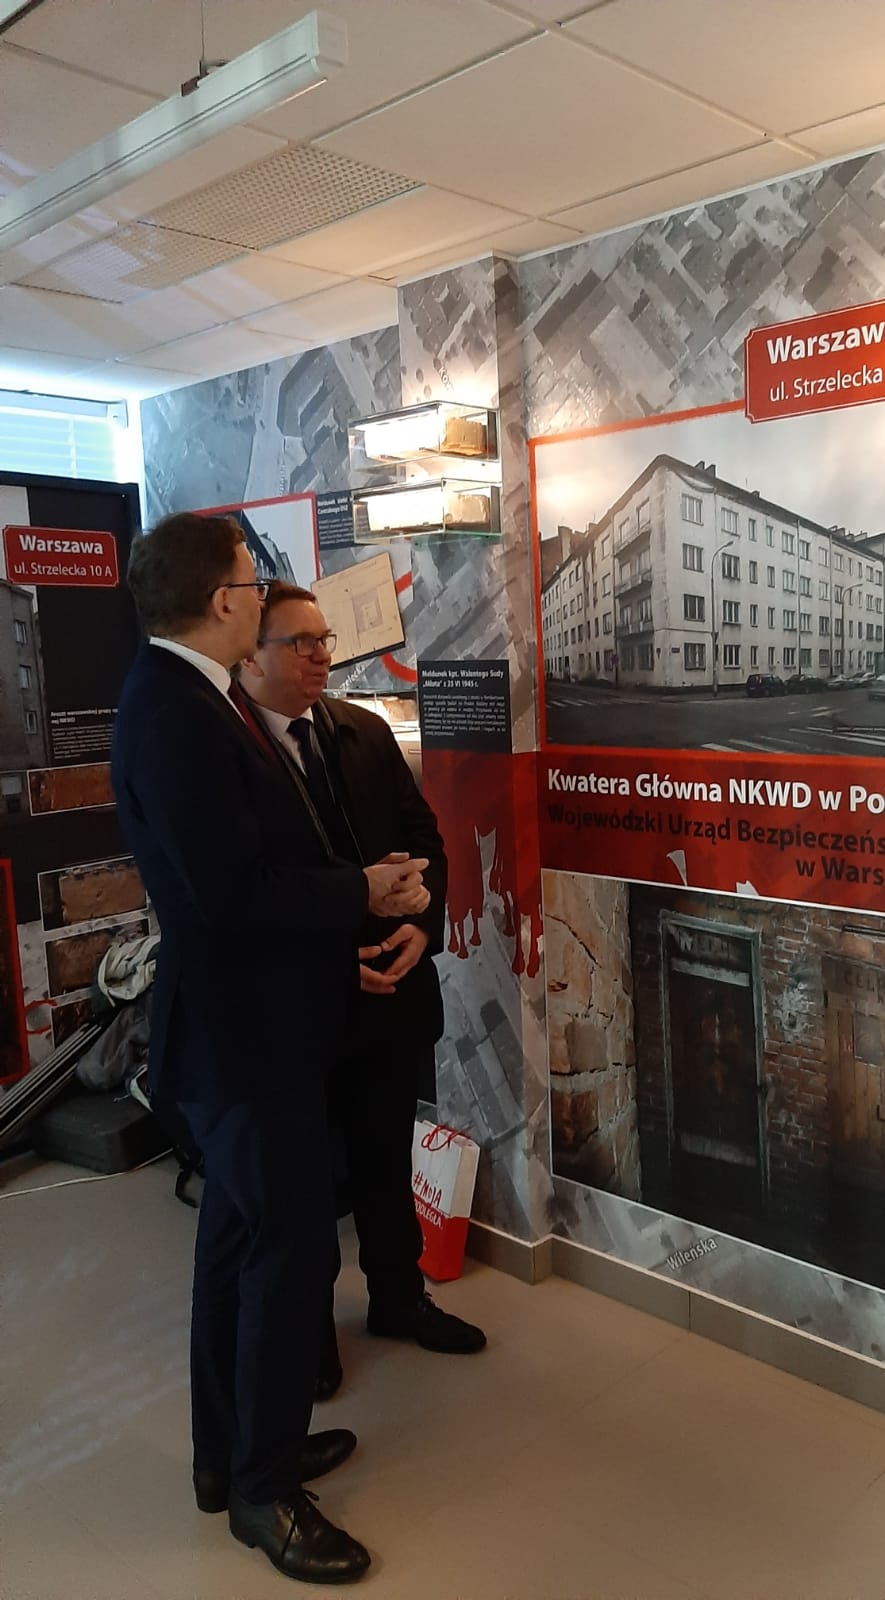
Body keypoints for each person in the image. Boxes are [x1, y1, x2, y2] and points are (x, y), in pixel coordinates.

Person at [111, 513, 430, 1586]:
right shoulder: (177, 713)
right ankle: (262, 1488)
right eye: (254, 582)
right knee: (285, 1262)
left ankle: (234, 1455)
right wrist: (362, 891)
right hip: (245, 1046)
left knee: (238, 1249)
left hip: (252, 1033)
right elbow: (232, 894)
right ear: (221, 601)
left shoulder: (194, 698)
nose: (263, 594)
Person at [237, 581, 485, 1386]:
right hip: (300, 1004)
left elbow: (424, 838)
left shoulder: (363, 731)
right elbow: (241, 893)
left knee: (383, 1160)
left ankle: (399, 1298)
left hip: (390, 991)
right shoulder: (231, 751)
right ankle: (307, 1336)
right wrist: (322, 958)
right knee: (306, 1185)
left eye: (325, 639)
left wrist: (423, 923)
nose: (321, 656)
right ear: (249, 654)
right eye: (300, 642)